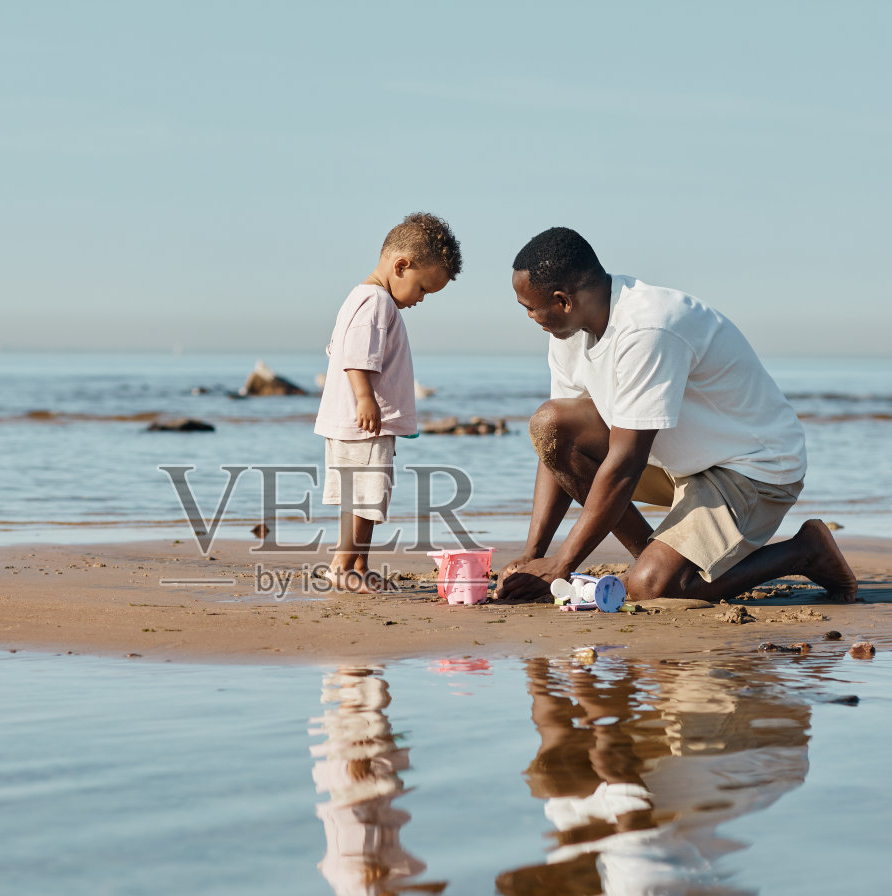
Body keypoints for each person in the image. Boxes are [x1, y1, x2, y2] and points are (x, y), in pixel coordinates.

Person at [496, 227, 856, 604]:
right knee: (550, 423)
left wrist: (563, 565)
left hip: (752, 469)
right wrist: (533, 555)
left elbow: (624, 464)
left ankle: (805, 551)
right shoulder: (570, 332)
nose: (528, 315)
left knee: (652, 588)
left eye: (529, 306)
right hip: (678, 464)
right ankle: (654, 558)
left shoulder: (647, 328)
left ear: (563, 301)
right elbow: (554, 445)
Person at [315, 212, 461, 592]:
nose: (421, 299)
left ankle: (358, 564)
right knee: (363, 498)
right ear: (401, 266)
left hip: (360, 423)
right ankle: (342, 565)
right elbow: (355, 358)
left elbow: (337, 349)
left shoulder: (360, 299)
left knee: (365, 498)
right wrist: (365, 400)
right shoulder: (377, 303)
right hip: (361, 422)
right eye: (423, 288)